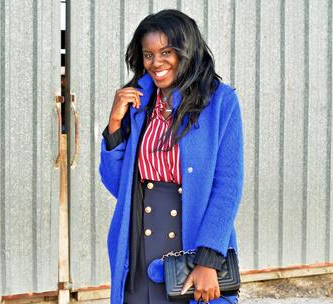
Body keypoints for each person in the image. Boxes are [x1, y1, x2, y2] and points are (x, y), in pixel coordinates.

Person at [99, 9, 244, 304]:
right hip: (138, 243)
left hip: (191, 241)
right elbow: (118, 186)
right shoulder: (139, 102)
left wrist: (209, 257)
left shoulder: (220, 102)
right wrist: (115, 125)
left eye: (166, 51)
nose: (156, 62)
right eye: (148, 54)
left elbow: (227, 186)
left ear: (186, 51)